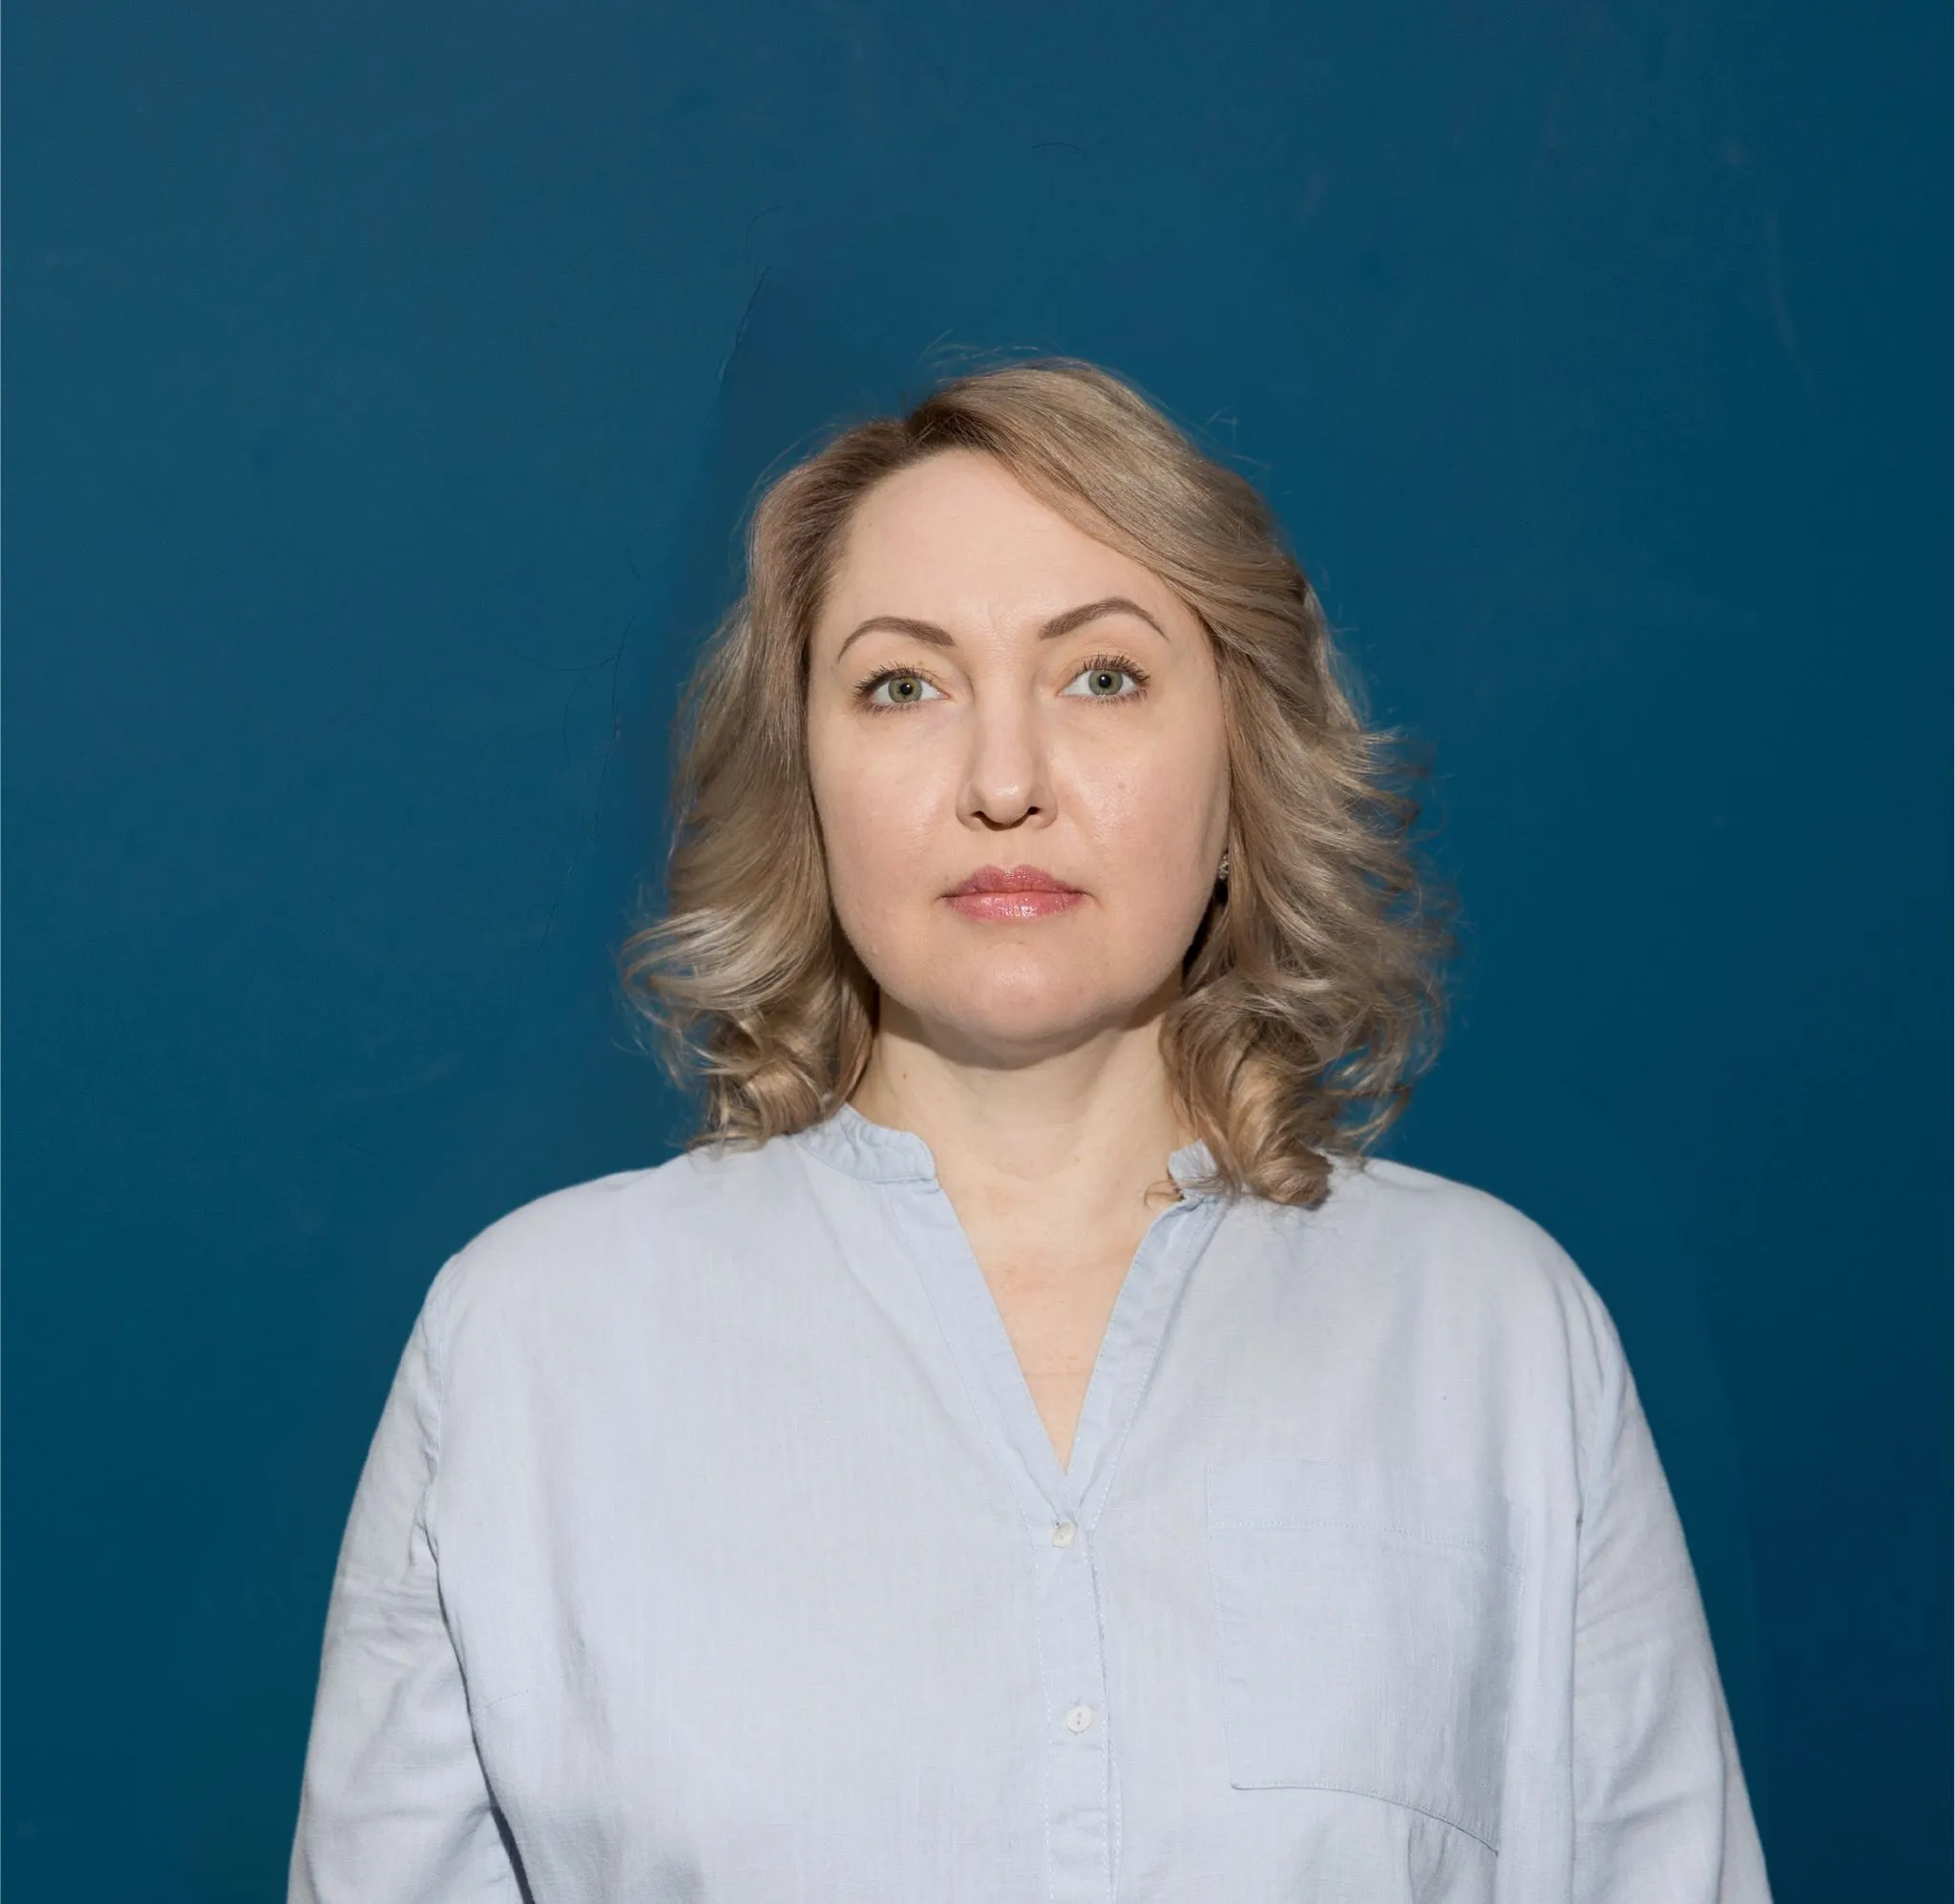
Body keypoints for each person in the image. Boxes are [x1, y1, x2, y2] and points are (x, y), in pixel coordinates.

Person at [287, 359, 1773, 1903]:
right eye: (903, 685)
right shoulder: (531, 1344)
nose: (1004, 782)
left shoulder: (1492, 1332)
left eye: (1103, 676)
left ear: (1243, 758)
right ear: (805, 776)